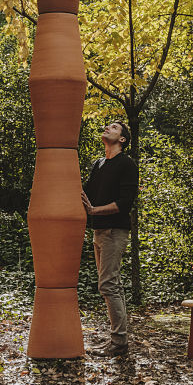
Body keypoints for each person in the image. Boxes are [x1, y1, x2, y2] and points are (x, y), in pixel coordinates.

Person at [81, 120, 139, 357]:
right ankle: (118, 339)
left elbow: (125, 203)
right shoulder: (99, 164)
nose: (107, 128)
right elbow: (86, 193)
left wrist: (94, 211)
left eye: (114, 128)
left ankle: (119, 342)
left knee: (107, 285)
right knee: (112, 284)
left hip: (115, 231)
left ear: (122, 139)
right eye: (107, 126)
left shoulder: (127, 164)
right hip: (99, 231)